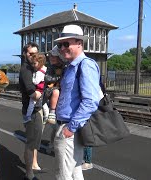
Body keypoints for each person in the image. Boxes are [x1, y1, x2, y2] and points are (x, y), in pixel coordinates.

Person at [53, 24, 103, 180]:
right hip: (70, 126)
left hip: (69, 126)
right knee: (75, 171)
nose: (62, 48)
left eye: (66, 44)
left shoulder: (85, 65)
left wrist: (70, 127)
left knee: (63, 175)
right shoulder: (71, 66)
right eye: (60, 44)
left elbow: (91, 101)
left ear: (79, 43)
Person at [19, 42, 44, 180]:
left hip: (36, 109)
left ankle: (32, 167)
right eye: (30, 53)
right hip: (31, 111)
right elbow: (31, 91)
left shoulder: (35, 68)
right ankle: (29, 174)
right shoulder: (26, 70)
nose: (33, 56)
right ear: (25, 54)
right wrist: (43, 91)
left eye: (35, 53)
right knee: (31, 142)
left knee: (34, 141)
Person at [43, 46, 67, 153]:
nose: (51, 58)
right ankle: (52, 143)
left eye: (54, 57)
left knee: (59, 124)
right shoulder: (50, 67)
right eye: (50, 57)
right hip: (52, 91)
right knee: (55, 124)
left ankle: (54, 143)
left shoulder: (66, 67)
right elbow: (47, 78)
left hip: (63, 95)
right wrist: (58, 78)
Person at [24, 53, 49, 125]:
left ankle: (28, 116)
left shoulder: (39, 72)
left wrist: (32, 77)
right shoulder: (45, 69)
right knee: (44, 104)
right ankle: (47, 116)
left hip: (38, 90)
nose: (33, 65)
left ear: (40, 63)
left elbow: (35, 81)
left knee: (32, 103)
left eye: (34, 63)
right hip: (43, 89)